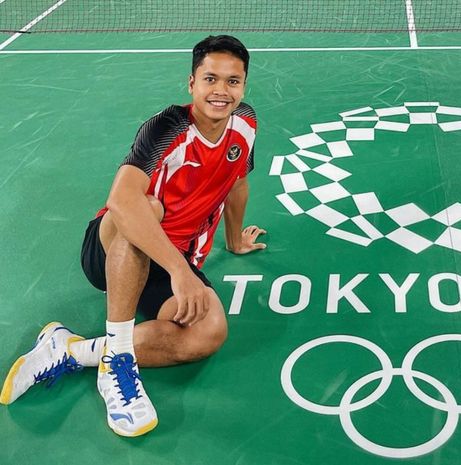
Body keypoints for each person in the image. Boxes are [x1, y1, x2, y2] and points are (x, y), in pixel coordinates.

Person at [0, 35, 266, 437]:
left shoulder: (245, 124)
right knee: (145, 207)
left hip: (172, 258)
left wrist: (234, 241)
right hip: (111, 249)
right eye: (211, 79)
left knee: (208, 332)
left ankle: (72, 350)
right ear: (191, 83)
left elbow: (237, 182)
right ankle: (119, 364)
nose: (221, 91)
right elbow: (121, 203)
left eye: (233, 81)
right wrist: (181, 272)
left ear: (243, 86)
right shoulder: (167, 129)